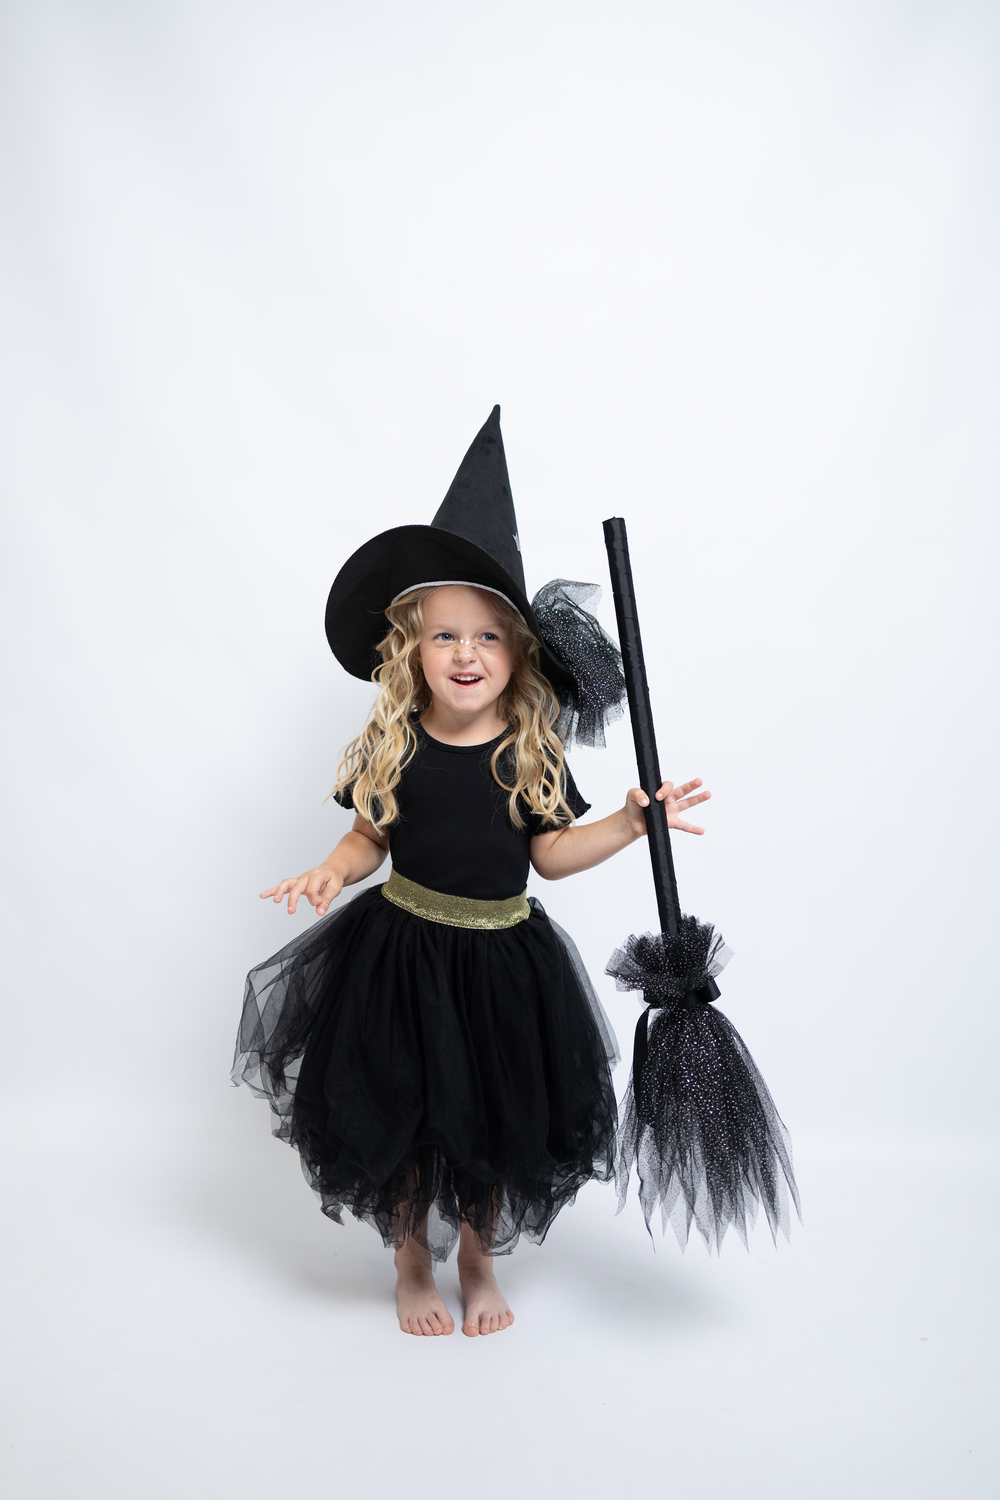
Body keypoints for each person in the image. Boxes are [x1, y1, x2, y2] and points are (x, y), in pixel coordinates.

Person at [233, 409, 709, 1338]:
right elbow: (368, 838)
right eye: (446, 636)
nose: (465, 654)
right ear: (412, 648)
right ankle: (413, 1260)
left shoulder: (530, 753)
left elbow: (551, 858)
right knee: (408, 1119)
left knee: (495, 1121)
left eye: (488, 637)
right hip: (400, 959)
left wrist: (626, 822)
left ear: (518, 652)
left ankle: (479, 1259)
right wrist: (332, 869)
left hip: (502, 967)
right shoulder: (394, 744)